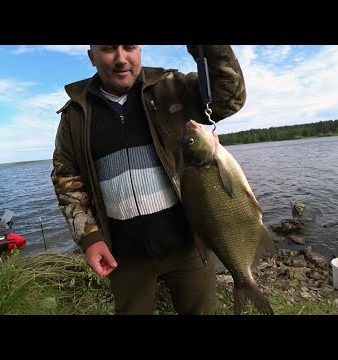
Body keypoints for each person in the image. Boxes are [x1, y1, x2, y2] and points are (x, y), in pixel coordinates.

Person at [51, 45, 246, 315]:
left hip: (189, 245)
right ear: (91, 56)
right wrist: (90, 237)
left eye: (129, 47)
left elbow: (229, 98)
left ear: (139, 50)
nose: (121, 59)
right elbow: (67, 179)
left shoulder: (172, 87)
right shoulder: (76, 114)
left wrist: (211, 49)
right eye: (108, 49)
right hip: (124, 256)